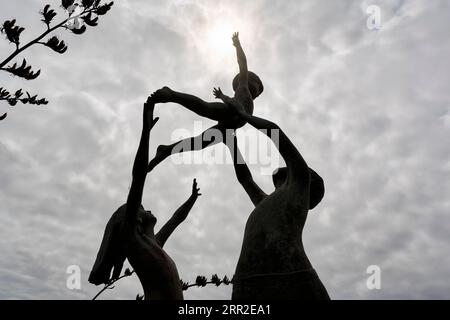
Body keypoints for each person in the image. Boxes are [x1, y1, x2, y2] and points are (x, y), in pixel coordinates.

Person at [214, 88, 330, 300]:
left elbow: (274, 131)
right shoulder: (267, 202)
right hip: (247, 285)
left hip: (292, 278)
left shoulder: (300, 181)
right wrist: (231, 141)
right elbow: (245, 179)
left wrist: (243, 114)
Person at [89, 98, 202, 300]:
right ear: (133, 217)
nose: (147, 210)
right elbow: (139, 177)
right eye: (141, 207)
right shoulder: (132, 238)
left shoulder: (155, 242)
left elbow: (177, 219)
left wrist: (192, 198)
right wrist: (146, 132)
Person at [147, 32, 264, 172]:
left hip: (230, 126)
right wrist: (238, 45)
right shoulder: (243, 86)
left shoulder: (247, 96)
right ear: (251, 80)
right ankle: (171, 94)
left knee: (199, 143)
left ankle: (166, 150)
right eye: (258, 86)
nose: (258, 91)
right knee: (205, 108)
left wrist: (221, 96)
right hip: (230, 112)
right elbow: (242, 63)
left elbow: (234, 103)